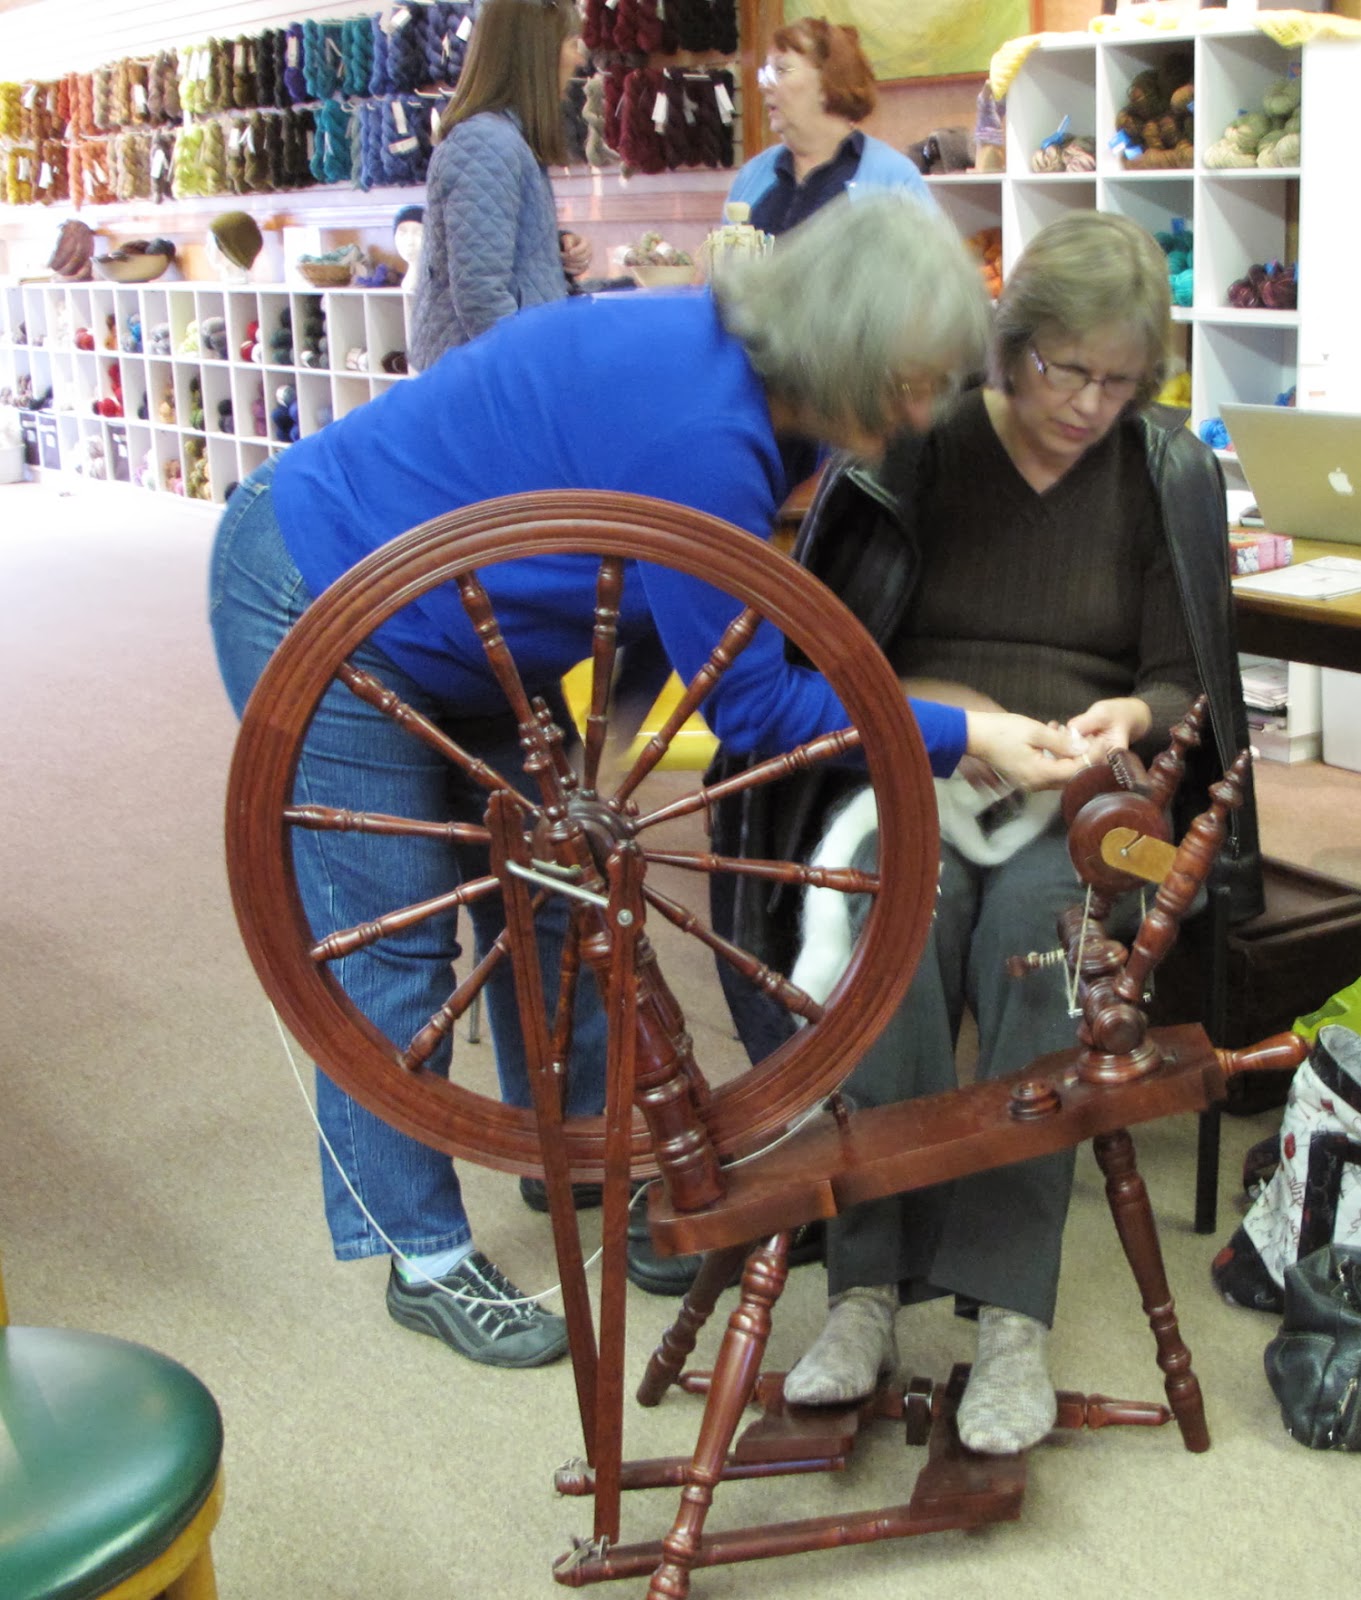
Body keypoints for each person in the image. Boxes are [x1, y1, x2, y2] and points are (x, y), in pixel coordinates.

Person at [209, 193, 1087, 1372]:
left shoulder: (748, 384)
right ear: (842, 351)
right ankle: (419, 1254)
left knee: (554, 896)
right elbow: (751, 704)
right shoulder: (705, 433)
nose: (923, 413)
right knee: (392, 944)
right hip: (320, 586)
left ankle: (579, 1163)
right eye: (909, 384)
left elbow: (651, 601)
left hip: (460, 623)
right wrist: (961, 734)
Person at [746, 211, 1263, 1452]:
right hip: (920, 762)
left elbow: (1182, 681)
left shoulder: (1157, 471)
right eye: (1063, 369)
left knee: (1041, 941)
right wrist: (951, 719)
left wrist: (1128, 714)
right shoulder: (915, 442)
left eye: (1120, 381)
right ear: (1006, 342)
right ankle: (865, 1289)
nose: (1089, 404)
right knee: (896, 919)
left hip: (1077, 794)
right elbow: (835, 651)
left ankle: (1010, 1316)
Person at [408, 0, 592, 370]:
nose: (578, 58)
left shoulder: (503, 140)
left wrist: (552, 247)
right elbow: (481, 295)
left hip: (492, 371)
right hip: (487, 381)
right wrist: (532, 377)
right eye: (571, 43)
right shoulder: (486, 143)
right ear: (535, 53)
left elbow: (487, 252)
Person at [725, 16, 930, 236]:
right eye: (765, 73)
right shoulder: (752, 176)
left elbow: (928, 258)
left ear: (827, 82)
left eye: (781, 70)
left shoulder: (894, 179)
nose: (764, 86)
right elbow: (725, 256)